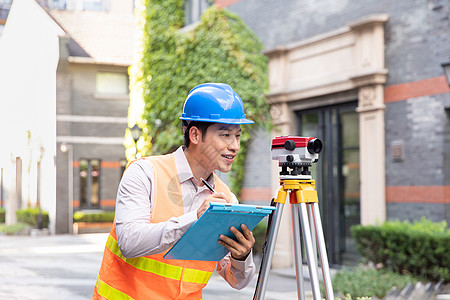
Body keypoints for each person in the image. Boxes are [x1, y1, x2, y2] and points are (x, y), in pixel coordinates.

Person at [93, 83, 256, 300]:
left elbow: (236, 280)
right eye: (225, 135)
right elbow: (129, 243)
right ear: (195, 135)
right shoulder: (144, 173)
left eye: (237, 136)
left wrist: (242, 256)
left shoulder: (227, 197)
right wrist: (195, 219)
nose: (235, 145)